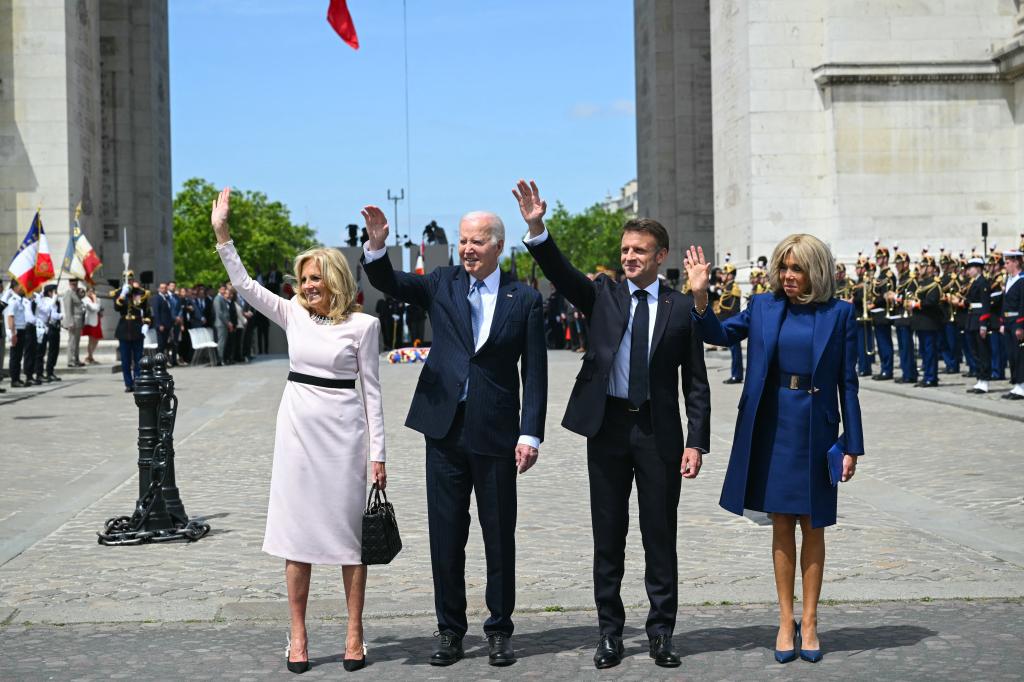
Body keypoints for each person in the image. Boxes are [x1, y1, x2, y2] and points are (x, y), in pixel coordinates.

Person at [517, 180, 710, 671]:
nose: (629, 257)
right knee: (609, 534)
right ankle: (609, 634)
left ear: (660, 255)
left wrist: (696, 442)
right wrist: (537, 227)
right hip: (607, 430)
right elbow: (558, 270)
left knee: (658, 534)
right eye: (625, 250)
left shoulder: (682, 308)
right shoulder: (602, 294)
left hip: (659, 434)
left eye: (639, 251)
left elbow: (697, 383)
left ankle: (662, 632)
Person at [361, 202, 547, 668]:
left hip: (497, 433)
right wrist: (378, 245)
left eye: (476, 241)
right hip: (443, 431)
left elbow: (537, 374)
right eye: (463, 240)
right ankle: (450, 630)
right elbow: (389, 282)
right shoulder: (442, 283)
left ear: (498, 246)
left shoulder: (523, 300)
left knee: (499, 535)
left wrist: (531, 435)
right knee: (446, 536)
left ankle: (500, 630)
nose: (467, 248)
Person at [211, 187, 386, 673]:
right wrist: (222, 234)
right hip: (297, 439)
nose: (307, 286)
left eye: (316, 279)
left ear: (335, 280)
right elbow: (244, 284)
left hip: (346, 440)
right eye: (303, 279)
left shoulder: (364, 326)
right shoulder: (291, 314)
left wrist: (379, 456)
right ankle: (298, 634)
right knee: (296, 539)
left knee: (351, 540)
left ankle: (355, 632)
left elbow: (372, 394)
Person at [684, 234, 864, 665]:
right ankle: (786, 621)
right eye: (783, 267)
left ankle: (812, 620)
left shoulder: (840, 314)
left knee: (813, 524)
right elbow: (719, 334)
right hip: (772, 424)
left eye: (796, 268)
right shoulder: (764, 307)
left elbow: (849, 384)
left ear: (815, 271)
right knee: (782, 520)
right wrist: (699, 293)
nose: (787, 276)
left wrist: (852, 445)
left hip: (817, 428)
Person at [112, 275, 151, 393]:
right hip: (124, 329)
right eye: (127, 280)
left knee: (139, 358)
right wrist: (123, 295)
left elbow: (147, 311)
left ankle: (138, 382)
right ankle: (128, 384)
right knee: (125, 360)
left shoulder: (140, 292)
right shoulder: (119, 293)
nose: (129, 282)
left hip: (137, 328)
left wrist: (146, 324)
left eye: (131, 280)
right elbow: (117, 308)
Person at [963, 257, 992, 394]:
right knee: (974, 351)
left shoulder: (983, 282)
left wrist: (983, 324)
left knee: (982, 351)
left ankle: (985, 380)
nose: (969, 271)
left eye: (972, 268)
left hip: (979, 319)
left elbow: (986, 305)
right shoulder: (973, 283)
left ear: (979, 268)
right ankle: (979, 379)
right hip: (971, 319)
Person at [1000, 249, 1024, 400]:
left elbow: (1023, 304)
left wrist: (1021, 325)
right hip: (1008, 322)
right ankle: (1016, 384)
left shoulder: (1022, 280)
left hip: (1017, 321)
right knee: (1011, 355)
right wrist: (1002, 322)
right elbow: (1005, 303)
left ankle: (1022, 386)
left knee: (1019, 355)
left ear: (1016, 262)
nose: (1005, 265)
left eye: (1007, 262)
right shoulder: (1008, 279)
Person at [715, 257, 743, 383]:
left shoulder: (733, 287)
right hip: (728, 321)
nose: (723, 275)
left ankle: (736, 375)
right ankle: (735, 374)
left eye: (725, 273)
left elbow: (730, 306)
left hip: (732, 321)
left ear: (731, 275)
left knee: (735, 351)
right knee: (733, 350)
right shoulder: (727, 287)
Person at [3, 281, 35, 388]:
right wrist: (13, 333)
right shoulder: (13, 301)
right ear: (15, 287)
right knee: (15, 356)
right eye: (21, 286)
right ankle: (14, 380)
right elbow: (10, 317)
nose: (22, 288)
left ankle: (17, 378)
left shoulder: (20, 300)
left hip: (22, 330)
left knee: (19, 356)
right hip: (16, 330)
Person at [33, 284, 63, 383]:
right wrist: (61, 315)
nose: (56, 293)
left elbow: (53, 313)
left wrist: (61, 315)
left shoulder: (52, 301)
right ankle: (39, 373)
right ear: (50, 292)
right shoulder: (44, 300)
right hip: (41, 328)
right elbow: (47, 311)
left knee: (53, 351)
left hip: (48, 328)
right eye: (54, 291)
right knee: (40, 352)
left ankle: (50, 372)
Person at [60, 278, 85, 368]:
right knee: (72, 341)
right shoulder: (68, 294)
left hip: (78, 321)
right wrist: (70, 322)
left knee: (77, 342)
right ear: (70, 284)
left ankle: (76, 359)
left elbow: (83, 295)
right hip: (73, 321)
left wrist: (80, 291)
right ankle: (71, 360)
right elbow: (68, 309)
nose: (75, 286)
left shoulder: (76, 293)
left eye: (76, 284)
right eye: (73, 284)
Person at [81, 286, 103, 364]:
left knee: (96, 339)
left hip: (97, 320)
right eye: (90, 291)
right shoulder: (85, 300)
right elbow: (94, 308)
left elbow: (99, 308)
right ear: (87, 292)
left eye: (92, 291)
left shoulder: (97, 299)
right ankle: (90, 357)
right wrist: (94, 300)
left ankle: (90, 356)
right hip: (90, 322)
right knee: (91, 339)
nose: (91, 293)